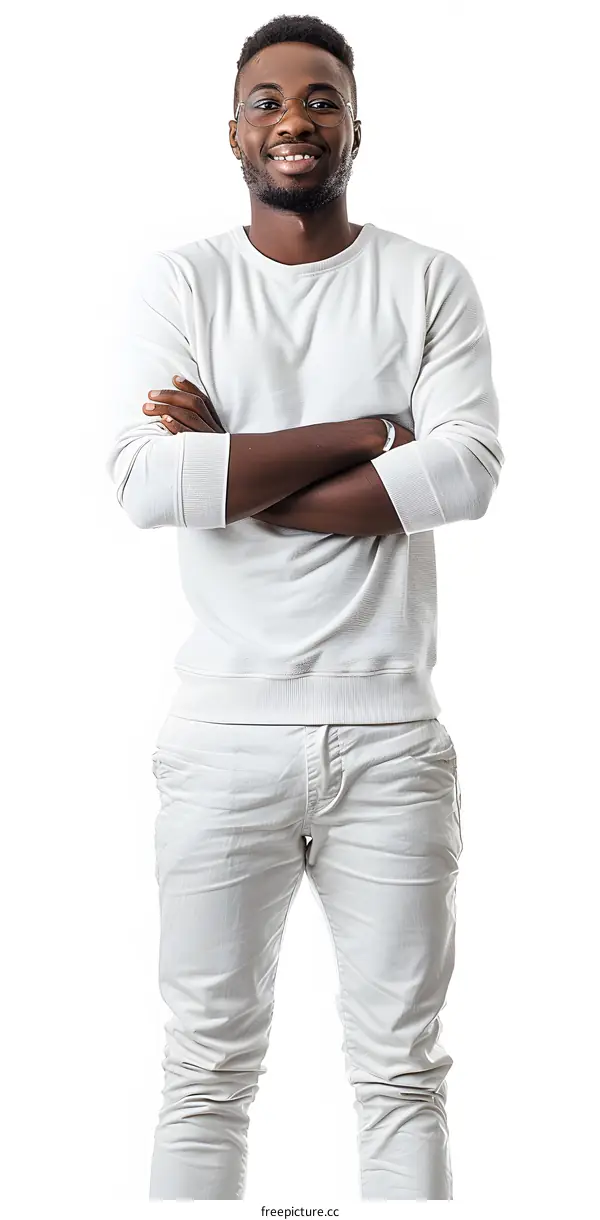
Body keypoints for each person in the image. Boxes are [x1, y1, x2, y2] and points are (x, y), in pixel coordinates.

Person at [105, 13, 504, 1202]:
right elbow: (145, 483)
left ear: (355, 128)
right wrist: (375, 433)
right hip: (222, 736)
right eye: (271, 100)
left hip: (391, 735)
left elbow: (468, 472)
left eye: (322, 100)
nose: (296, 119)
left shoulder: (428, 279)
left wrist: (231, 461)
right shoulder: (182, 279)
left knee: (402, 1075)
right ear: (234, 131)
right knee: (205, 1072)